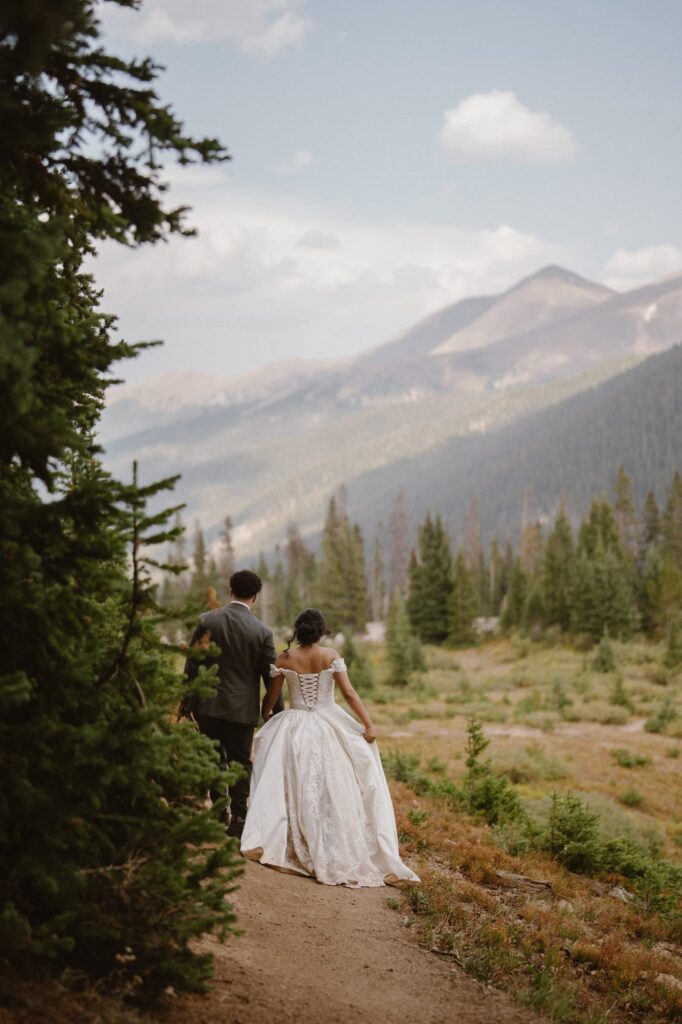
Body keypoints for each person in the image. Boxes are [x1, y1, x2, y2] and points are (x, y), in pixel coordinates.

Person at [241, 608, 420, 887]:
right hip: (328, 719)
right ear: (321, 631)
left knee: (295, 781)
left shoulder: (286, 658)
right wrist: (368, 724)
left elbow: (272, 696)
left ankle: (297, 835)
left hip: (295, 722)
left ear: (298, 630)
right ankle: (336, 838)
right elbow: (349, 692)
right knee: (335, 782)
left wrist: (266, 714)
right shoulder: (330, 656)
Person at [183, 569, 282, 838]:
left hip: (207, 704)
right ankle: (239, 818)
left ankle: (217, 810)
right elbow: (271, 674)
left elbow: (193, 661)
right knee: (240, 762)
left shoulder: (207, 620)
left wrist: (186, 699)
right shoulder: (262, 631)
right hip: (242, 709)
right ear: (255, 596)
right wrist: (275, 710)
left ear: (230, 591)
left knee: (212, 757)